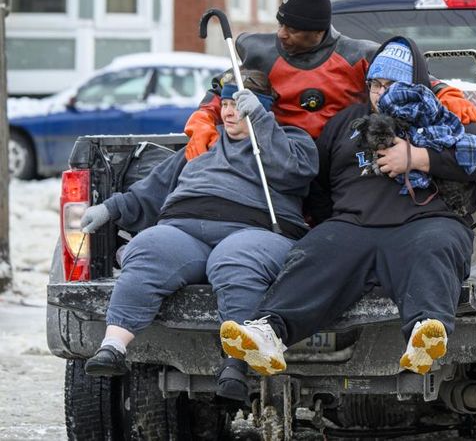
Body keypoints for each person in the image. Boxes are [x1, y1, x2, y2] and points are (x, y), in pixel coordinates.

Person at [218, 37, 476, 377]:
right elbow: (317, 185)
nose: (381, 94)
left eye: (391, 85)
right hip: (353, 225)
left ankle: (424, 334)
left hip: (426, 220)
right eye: (375, 85)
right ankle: (269, 333)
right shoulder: (344, 123)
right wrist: (331, 223)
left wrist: (419, 157)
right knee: (314, 251)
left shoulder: (440, 115)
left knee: (434, 248)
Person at [79, 70, 318, 403]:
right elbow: (155, 187)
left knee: (234, 260)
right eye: (227, 103)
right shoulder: (206, 140)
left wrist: (262, 123)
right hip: (184, 228)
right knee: (148, 247)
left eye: (241, 104)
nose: (231, 112)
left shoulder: (290, 140)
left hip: (255, 231)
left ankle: (235, 363)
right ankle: (113, 347)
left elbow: (296, 172)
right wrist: (111, 208)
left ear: (261, 106)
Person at [184, 0, 476, 160]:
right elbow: (223, 90)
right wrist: (202, 120)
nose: (282, 34)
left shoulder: (356, 55)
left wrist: (446, 93)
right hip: (278, 161)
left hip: (341, 163)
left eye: (293, 29)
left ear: (318, 31)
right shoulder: (259, 51)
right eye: (280, 24)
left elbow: (412, 78)